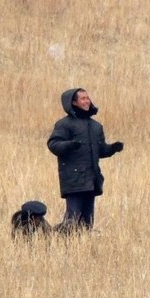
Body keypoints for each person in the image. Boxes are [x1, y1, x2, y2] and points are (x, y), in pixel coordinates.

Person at [47, 88, 124, 231]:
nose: (87, 101)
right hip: (73, 179)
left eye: (88, 98)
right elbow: (53, 144)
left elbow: (100, 151)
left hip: (92, 179)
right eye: (83, 98)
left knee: (88, 220)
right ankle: (66, 244)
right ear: (74, 102)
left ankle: (83, 245)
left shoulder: (96, 126)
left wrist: (113, 148)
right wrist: (69, 145)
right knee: (72, 218)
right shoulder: (64, 124)